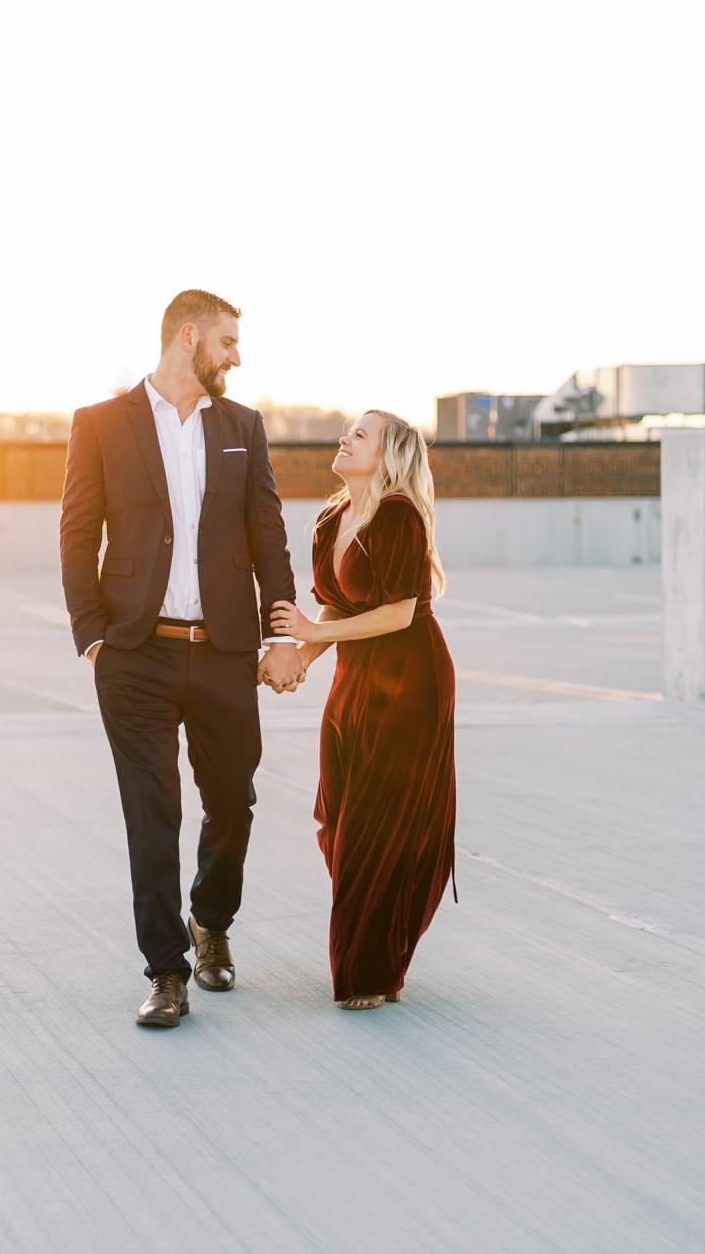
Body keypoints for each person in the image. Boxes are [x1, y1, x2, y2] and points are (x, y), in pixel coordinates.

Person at [60, 289, 307, 1028]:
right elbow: (77, 532)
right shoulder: (100, 424)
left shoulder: (243, 426)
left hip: (226, 650)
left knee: (233, 800)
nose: (237, 355)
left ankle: (211, 921)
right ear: (189, 335)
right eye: (229, 341)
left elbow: (267, 529)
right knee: (152, 812)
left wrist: (282, 631)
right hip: (135, 654)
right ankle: (167, 971)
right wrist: (94, 636)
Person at [270, 411, 456, 1009]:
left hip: (409, 680)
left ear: (389, 454)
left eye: (361, 435)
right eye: (347, 430)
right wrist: (301, 656)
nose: (345, 438)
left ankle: (371, 971)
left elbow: (400, 611)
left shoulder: (397, 513)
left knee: (379, 827)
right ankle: (378, 934)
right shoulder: (329, 520)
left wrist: (304, 630)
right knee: (338, 820)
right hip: (356, 678)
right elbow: (334, 609)